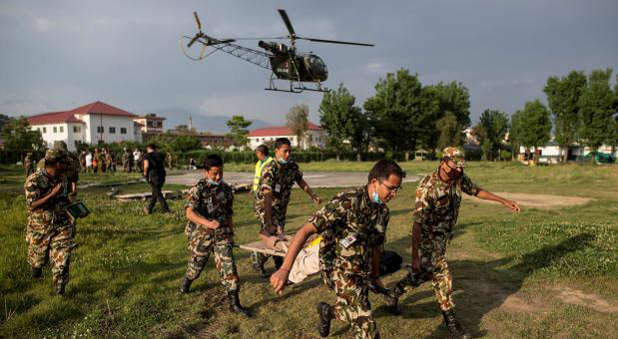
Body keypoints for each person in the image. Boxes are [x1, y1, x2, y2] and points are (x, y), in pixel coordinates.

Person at [383, 147, 521, 339]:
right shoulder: (427, 188)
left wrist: (503, 201)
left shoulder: (457, 177)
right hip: (426, 237)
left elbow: (475, 190)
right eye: (454, 166)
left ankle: (394, 292)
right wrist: (415, 256)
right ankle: (452, 322)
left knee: (424, 273)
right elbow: (417, 225)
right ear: (443, 162)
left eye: (460, 167)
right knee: (442, 274)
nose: (458, 171)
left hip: (442, 237)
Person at [270, 159, 404, 339]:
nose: (394, 194)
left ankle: (328, 312)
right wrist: (285, 269)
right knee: (365, 322)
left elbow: (375, 246)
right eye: (391, 188)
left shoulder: (382, 213)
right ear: (374, 182)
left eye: (397, 189)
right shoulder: (347, 201)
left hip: (360, 269)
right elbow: (305, 231)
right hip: (336, 268)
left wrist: (374, 276)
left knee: (353, 308)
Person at [180, 154, 251, 317]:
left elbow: (229, 213)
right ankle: (187, 281)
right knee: (196, 267)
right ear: (206, 172)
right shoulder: (199, 188)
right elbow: (189, 213)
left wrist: (231, 232)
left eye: (221, 173)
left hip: (221, 235)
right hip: (202, 236)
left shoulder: (226, 189)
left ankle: (234, 304)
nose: (218, 177)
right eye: (214, 174)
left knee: (229, 267)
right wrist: (207, 223)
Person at [252, 137, 321, 277]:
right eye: (285, 151)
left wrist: (312, 195)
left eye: (289, 151)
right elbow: (267, 195)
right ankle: (258, 260)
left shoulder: (292, 167)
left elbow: (301, 181)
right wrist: (269, 220)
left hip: (281, 208)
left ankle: (277, 262)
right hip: (266, 207)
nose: (288, 154)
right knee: (273, 234)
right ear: (276, 151)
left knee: (279, 235)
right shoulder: (270, 168)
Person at [24, 149, 76, 295]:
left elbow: (65, 199)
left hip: (61, 225)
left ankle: (60, 291)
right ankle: (36, 269)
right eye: (65, 162)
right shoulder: (33, 180)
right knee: (37, 262)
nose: (68, 165)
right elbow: (32, 204)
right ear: (58, 164)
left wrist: (76, 210)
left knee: (63, 259)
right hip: (39, 228)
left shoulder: (63, 178)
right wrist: (52, 194)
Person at [143, 144, 170, 214]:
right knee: (156, 192)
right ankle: (149, 208)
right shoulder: (160, 154)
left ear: (148, 148)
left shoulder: (147, 155)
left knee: (158, 193)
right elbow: (166, 161)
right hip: (162, 174)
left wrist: (145, 173)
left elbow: (146, 165)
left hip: (153, 175)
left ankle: (166, 210)